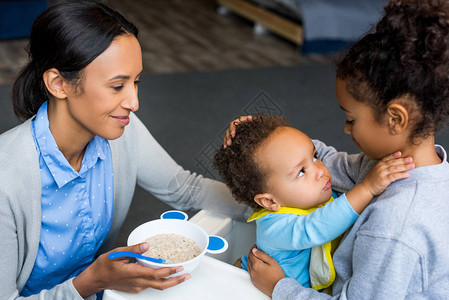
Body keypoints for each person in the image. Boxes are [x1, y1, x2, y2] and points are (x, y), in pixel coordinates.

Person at [0, 1, 250, 299]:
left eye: (136, 82)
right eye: (118, 86)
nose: (134, 102)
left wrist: (274, 201)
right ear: (58, 83)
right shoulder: (6, 179)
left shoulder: (121, 131)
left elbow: (184, 187)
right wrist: (90, 282)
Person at [224, 0, 449, 298]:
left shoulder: (393, 226)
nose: (345, 129)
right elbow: (330, 161)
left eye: (351, 119)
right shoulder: (398, 166)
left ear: (396, 118)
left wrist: (280, 287)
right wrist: (263, 138)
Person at [214, 114, 413, 290]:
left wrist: (255, 131)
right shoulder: (274, 227)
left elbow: (291, 152)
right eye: (301, 172)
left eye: (315, 156)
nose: (320, 170)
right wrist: (367, 188)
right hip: (251, 285)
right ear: (269, 201)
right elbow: (317, 225)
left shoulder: (313, 194)